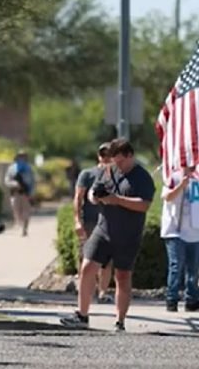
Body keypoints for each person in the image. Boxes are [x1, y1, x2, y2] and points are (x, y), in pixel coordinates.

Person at [60, 138, 155, 332]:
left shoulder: (142, 177)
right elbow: (92, 193)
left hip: (128, 235)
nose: (116, 165)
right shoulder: (107, 171)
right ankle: (82, 315)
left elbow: (144, 204)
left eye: (120, 161)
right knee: (87, 268)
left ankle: (120, 321)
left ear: (130, 156)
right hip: (103, 230)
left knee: (122, 276)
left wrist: (116, 200)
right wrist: (95, 197)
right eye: (114, 161)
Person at [73, 143, 114, 304]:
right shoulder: (87, 174)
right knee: (87, 257)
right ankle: (86, 290)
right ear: (98, 156)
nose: (106, 158)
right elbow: (78, 197)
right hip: (90, 221)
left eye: (109, 154)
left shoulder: (115, 175)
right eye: (103, 154)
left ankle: (102, 292)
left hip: (109, 221)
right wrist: (77, 220)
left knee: (107, 260)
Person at [160, 166, 199, 312]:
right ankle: (172, 299)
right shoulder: (173, 176)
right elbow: (167, 196)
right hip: (175, 230)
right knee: (177, 266)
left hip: (195, 230)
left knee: (193, 269)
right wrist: (181, 185)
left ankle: (192, 300)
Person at [5, 150, 35, 236]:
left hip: (25, 194)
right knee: (16, 211)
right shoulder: (11, 168)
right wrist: (14, 184)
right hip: (15, 193)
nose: (22, 158)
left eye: (23, 156)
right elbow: (7, 180)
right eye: (20, 156)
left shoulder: (28, 168)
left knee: (26, 212)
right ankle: (20, 224)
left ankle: (24, 229)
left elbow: (32, 181)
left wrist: (31, 192)